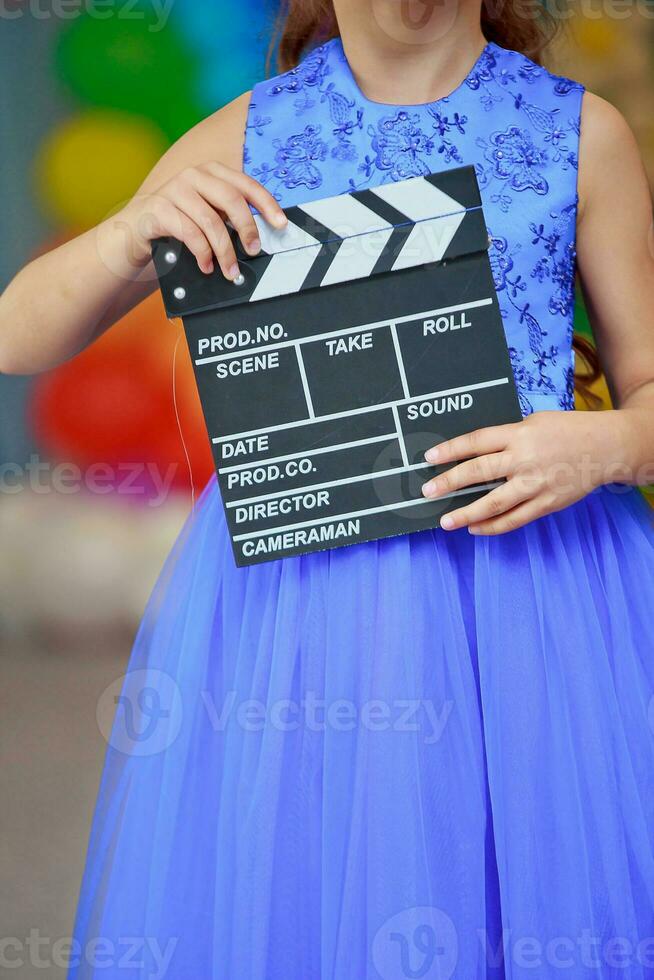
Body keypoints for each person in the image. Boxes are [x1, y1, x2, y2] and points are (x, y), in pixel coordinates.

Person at [2, 1, 654, 977]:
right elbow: (17, 334)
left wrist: (608, 442)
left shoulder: (580, 131)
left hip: (535, 590)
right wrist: (129, 234)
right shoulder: (244, 135)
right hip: (299, 605)